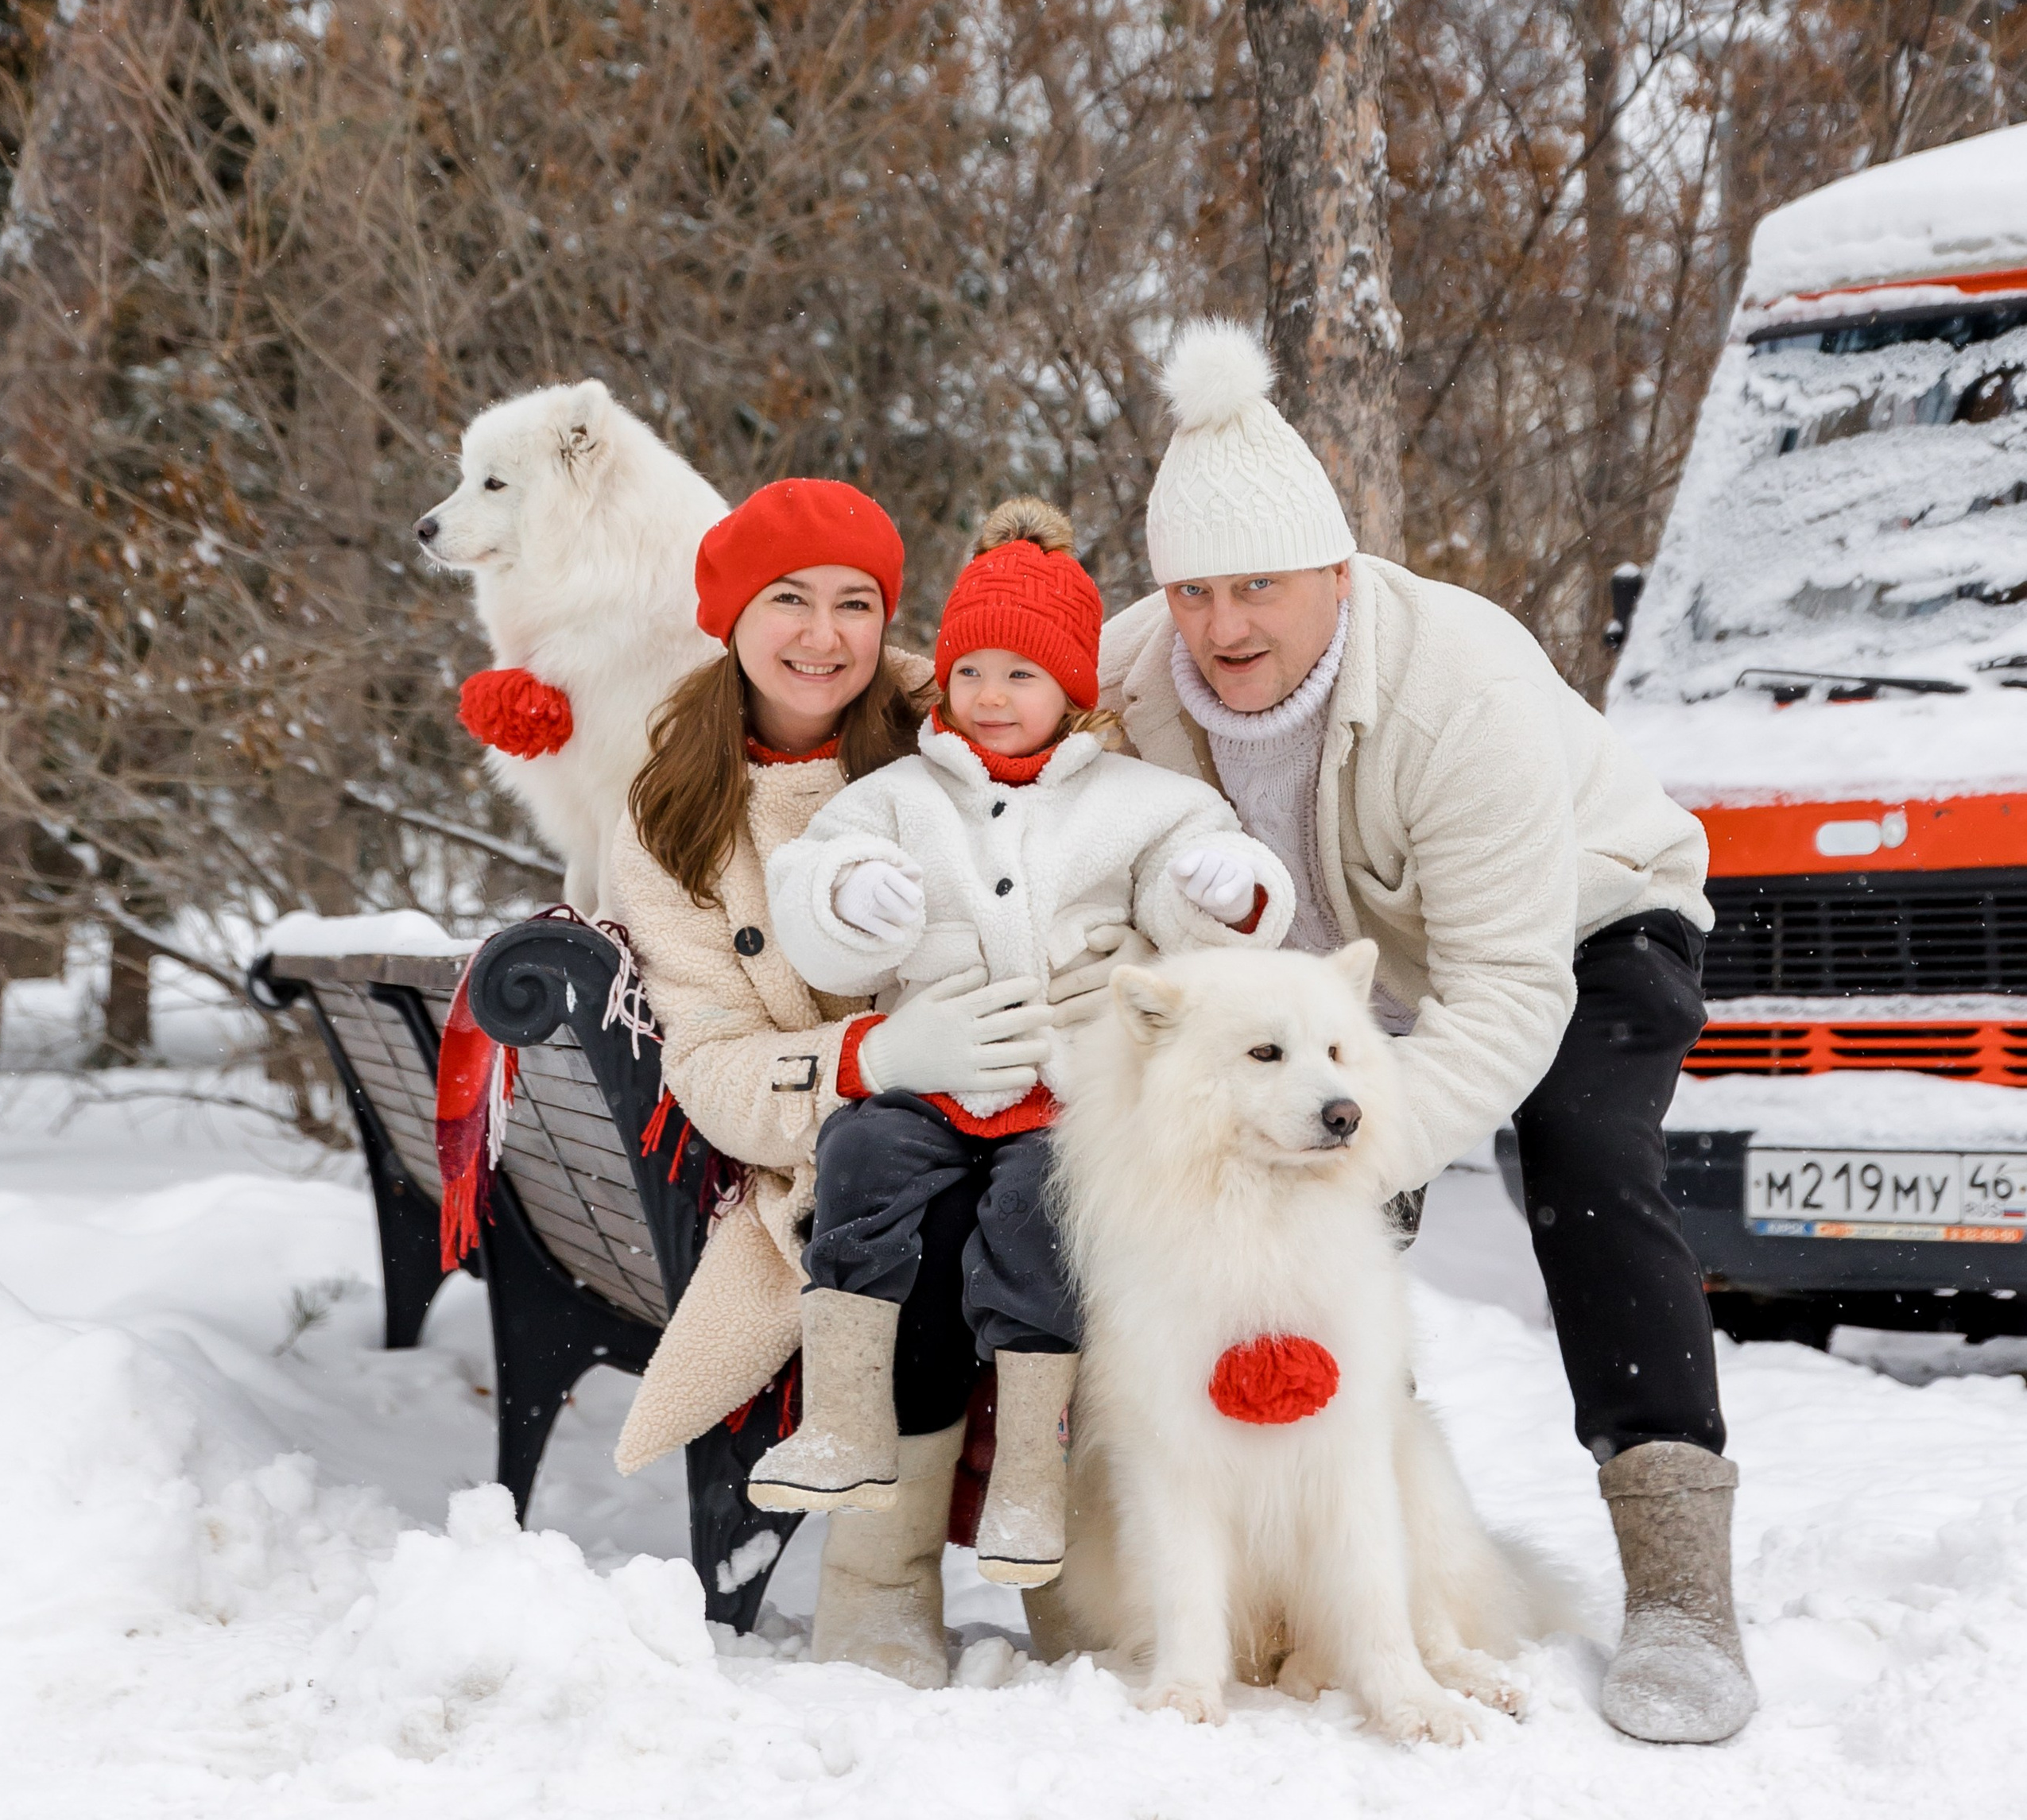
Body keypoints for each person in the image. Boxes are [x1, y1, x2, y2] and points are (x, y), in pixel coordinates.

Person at [1096, 321, 1754, 1748]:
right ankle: (1354, 1570)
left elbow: (1511, 994)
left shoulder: (1463, 683)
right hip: (1330, 993)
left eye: (1259, 585)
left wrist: (1360, 1155)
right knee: (1263, 1224)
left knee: (1581, 1153)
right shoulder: (1133, 677)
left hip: (1585, 922)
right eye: (1193, 589)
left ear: (1338, 573)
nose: (1223, 624)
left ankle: (1681, 1586)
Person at [748, 500, 1295, 1587]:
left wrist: (1233, 892)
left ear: (1073, 692)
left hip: (1070, 1089)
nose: (991, 699)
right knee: (859, 1161)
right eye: (971, 674)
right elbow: (812, 877)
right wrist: (851, 897)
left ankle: (1032, 1474)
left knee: (1035, 1217)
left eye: (1022, 676)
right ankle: (849, 1416)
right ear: (942, 680)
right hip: (933, 1076)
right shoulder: (895, 800)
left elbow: (1206, 888)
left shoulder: (1141, 802)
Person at [606, 475, 1056, 1688]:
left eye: (856, 602)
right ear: (731, 617)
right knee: (903, 1204)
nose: (823, 634)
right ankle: (878, 1576)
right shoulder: (673, 815)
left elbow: (1091, 792)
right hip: (835, 1138)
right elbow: (707, 1062)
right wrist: (870, 1059)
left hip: (1032, 1090)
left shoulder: (956, 709)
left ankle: (1078, 1565)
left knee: (1059, 1207)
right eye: (788, 599)